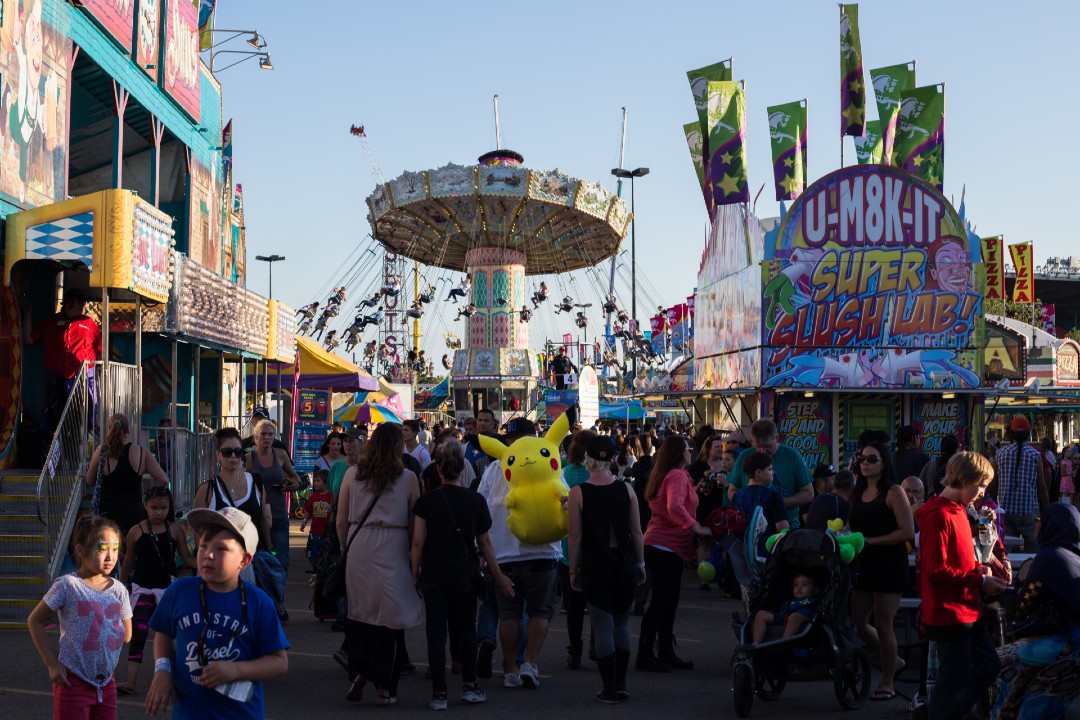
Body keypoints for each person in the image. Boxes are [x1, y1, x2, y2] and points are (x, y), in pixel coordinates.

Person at [144, 507, 289, 719]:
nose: (208, 555)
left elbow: (279, 662)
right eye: (203, 546)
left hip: (240, 714)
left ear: (244, 560)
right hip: (188, 713)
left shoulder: (259, 603)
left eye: (221, 549)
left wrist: (237, 670)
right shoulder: (179, 591)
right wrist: (162, 669)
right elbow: (163, 632)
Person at [410, 440, 513, 710]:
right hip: (466, 571)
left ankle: (439, 693)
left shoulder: (427, 501)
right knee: (467, 629)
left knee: (436, 631)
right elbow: (485, 542)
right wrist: (498, 574)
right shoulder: (475, 500)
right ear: (461, 469)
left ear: (439, 468)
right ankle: (469, 685)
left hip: (434, 571)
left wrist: (413, 574)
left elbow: (418, 542)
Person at [336, 423, 423, 705]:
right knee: (391, 620)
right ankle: (385, 688)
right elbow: (415, 527)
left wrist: (344, 547)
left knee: (360, 613)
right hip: (393, 545)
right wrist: (414, 563)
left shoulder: (353, 473)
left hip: (358, 544)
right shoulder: (408, 478)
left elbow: (340, 519)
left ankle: (360, 670)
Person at [916, 453, 1007, 720]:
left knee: (987, 667)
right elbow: (936, 570)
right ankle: (941, 714)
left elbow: (956, 560)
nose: (983, 492)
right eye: (981, 485)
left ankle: (943, 713)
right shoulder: (938, 515)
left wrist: (979, 572)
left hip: (966, 609)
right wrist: (979, 580)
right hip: (949, 613)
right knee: (952, 683)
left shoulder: (956, 511)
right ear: (965, 479)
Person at [475, 417, 560, 690]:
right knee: (540, 612)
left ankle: (511, 668)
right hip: (543, 555)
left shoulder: (494, 470)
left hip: (503, 558)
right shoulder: (548, 464)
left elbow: (481, 510)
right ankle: (529, 663)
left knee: (508, 614)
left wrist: (481, 550)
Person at [566, 435, 646, 704]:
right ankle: (621, 684)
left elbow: (574, 537)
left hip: (595, 566)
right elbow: (636, 532)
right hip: (624, 564)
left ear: (586, 458)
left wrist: (573, 570)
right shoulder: (627, 490)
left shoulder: (578, 493)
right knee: (622, 623)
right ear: (612, 458)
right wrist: (640, 563)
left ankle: (609, 688)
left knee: (602, 627)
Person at [28, 516, 132, 720]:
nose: (111, 556)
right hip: (72, 681)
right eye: (102, 549)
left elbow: (127, 634)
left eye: (115, 548)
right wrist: (51, 664)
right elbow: (35, 620)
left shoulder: (119, 590)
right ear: (80, 550)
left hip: (106, 683)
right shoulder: (67, 585)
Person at [990, 503, 1080, 719]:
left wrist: (998, 592)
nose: (1036, 524)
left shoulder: (1049, 558)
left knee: (993, 661)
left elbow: (1021, 608)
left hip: (1069, 647)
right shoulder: (1074, 555)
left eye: (1041, 520)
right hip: (1071, 643)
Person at [637, 436, 713, 672]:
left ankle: (665, 651)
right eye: (687, 449)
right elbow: (674, 507)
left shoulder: (669, 474)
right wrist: (697, 528)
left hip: (662, 545)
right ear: (680, 454)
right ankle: (646, 653)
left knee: (667, 601)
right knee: (662, 602)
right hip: (665, 546)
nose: (691, 452)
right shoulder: (677, 475)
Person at [848, 440, 915, 702]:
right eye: (862, 459)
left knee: (884, 623)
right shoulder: (858, 491)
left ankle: (887, 681)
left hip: (888, 563)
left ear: (884, 463)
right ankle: (894, 659)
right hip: (863, 563)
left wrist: (871, 541)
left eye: (872, 459)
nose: (865, 463)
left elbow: (907, 532)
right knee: (859, 621)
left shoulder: (893, 491)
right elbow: (854, 525)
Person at [117, 488, 196, 695]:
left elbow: (186, 559)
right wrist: (120, 585)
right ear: (145, 506)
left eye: (164, 508)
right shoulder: (136, 531)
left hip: (168, 591)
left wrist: (208, 567)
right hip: (142, 588)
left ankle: (177, 679)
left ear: (170, 508)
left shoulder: (176, 529)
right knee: (139, 633)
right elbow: (128, 559)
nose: (159, 512)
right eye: (154, 508)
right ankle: (131, 680)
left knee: (174, 635)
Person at [245, 419, 301, 618]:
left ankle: (279, 604)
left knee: (281, 561)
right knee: (255, 561)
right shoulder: (249, 459)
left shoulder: (281, 455)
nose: (267, 438)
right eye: (263, 434)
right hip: (254, 519)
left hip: (277, 515)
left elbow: (296, 479)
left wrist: (292, 485)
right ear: (256, 436)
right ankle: (259, 605)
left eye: (270, 434)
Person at [26, 288, 101, 432]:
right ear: (69, 304)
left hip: (83, 377)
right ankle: (56, 445)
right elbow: (29, 339)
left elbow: (100, 350)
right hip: (58, 378)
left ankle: (86, 438)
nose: (82, 307)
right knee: (56, 415)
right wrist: (27, 313)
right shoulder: (51, 322)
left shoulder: (89, 323)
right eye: (79, 303)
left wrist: (94, 373)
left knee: (86, 414)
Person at [86, 413, 170, 539]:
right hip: (133, 513)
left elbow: (90, 480)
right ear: (128, 431)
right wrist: (147, 496)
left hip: (106, 515)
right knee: (130, 553)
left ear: (110, 429)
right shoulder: (141, 452)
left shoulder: (101, 451)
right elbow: (163, 480)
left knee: (108, 552)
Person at [192, 428, 272, 554]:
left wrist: (269, 549)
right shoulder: (207, 489)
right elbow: (198, 530)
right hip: (220, 562)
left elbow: (264, 521)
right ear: (218, 455)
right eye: (227, 452)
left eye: (237, 452)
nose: (233, 456)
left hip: (252, 560)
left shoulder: (256, 483)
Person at [726, 419, 814, 529]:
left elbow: (808, 493)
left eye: (767, 446)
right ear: (752, 440)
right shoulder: (745, 457)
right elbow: (732, 491)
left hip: (787, 528)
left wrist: (779, 503)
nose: (762, 451)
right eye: (758, 446)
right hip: (751, 529)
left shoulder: (792, 457)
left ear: (776, 438)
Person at [559, 430, 594, 669]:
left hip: (567, 545)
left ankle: (574, 648)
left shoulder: (564, 474)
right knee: (596, 601)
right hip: (594, 545)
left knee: (574, 603)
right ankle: (596, 643)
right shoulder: (600, 475)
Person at [995, 415, 1048, 552]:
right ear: (1028, 434)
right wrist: (1046, 508)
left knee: (1007, 551)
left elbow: (992, 483)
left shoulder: (1000, 453)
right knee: (1032, 550)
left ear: (1011, 434)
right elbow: (1042, 487)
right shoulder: (1035, 455)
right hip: (1029, 511)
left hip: (1005, 510)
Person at [731, 452, 790, 561]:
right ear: (758, 472)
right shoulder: (772, 495)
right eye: (769, 469)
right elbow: (783, 528)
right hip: (766, 553)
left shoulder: (737, 496)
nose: (773, 472)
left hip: (742, 554)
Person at [750, 573, 819, 644]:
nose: (799, 588)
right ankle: (756, 642)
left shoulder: (813, 601)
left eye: (804, 585)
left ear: (815, 590)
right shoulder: (790, 601)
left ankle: (783, 642)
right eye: (795, 585)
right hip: (784, 616)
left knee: (794, 617)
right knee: (760, 614)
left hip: (803, 616)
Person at [299, 473, 333, 568]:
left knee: (326, 555)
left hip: (326, 533)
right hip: (314, 532)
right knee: (310, 554)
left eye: (318, 481)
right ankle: (316, 570)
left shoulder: (330, 496)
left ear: (326, 483)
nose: (315, 483)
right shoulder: (314, 496)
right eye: (315, 481)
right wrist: (304, 521)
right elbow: (308, 510)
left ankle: (324, 571)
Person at [327, 427, 364, 500]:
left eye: (351, 441)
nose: (347, 444)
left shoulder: (368, 467)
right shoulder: (336, 466)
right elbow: (329, 495)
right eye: (345, 441)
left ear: (360, 444)